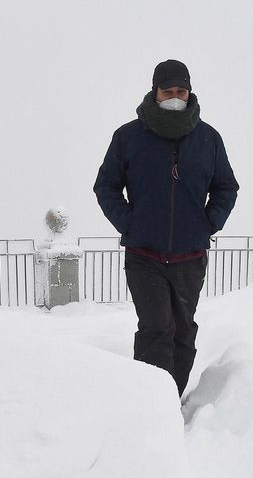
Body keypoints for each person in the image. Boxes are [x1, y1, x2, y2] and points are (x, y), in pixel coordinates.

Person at [93, 59, 239, 398]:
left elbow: (226, 187)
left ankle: (172, 397)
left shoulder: (208, 139)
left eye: (181, 91)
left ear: (189, 93)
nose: (175, 97)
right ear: (155, 92)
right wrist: (130, 223)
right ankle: (151, 403)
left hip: (190, 255)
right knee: (157, 327)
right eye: (168, 91)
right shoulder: (128, 137)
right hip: (144, 254)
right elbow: (106, 187)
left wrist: (208, 223)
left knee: (183, 331)